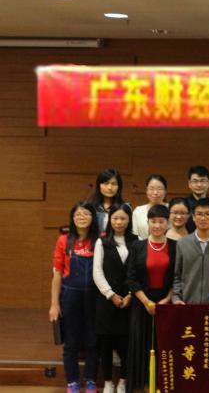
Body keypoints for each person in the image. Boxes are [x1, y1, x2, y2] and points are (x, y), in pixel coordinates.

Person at [49, 202, 99, 393]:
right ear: (72, 218)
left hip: (94, 297)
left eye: (86, 214)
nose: (82, 217)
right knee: (71, 342)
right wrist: (54, 304)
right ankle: (72, 381)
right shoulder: (64, 240)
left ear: (93, 218)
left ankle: (91, 379)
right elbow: (57, 274)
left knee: (93, 340)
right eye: (78, 214)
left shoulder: (99, 240)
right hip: (70, 296)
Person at [126, 205, 176, 393]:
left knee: (164, 345)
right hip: (142, 304)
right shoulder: (138, 246)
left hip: (166, 304)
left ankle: (163, 385)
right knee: (142, 346)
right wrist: (146, 302)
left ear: (167, 223)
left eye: (161, 221)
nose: (157, 225)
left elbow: (178, 277)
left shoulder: (175, 246)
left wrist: (167, 299)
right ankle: (144, 386)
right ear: (147, 223)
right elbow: (131, 278)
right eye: (153, 221)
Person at [93, 204, 138, 393]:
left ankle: (123, 382)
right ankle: (108, 383)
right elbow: (97, 272)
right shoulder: (102, 241)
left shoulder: (136, 241)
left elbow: (138, 271)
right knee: (106, 344)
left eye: (123, 218)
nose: (119, 222)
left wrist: (130, 295)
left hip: (130, 299)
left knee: (127, 344)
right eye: (115, 218)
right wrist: (111, 295)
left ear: (129, 220)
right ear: (109, 220)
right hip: (107, 300)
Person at [173, 198, 209, 304]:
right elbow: (176, 276)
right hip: (187, 304)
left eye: (208, 214)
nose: (203, 218)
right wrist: (176, 298)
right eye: (199, 214)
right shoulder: (182, 243)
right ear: (193, 217)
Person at [89, 168, 126, 235]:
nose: (109, 187)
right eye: (106, 183)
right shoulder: (90, 207)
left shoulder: (125, 207)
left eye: (113, 184)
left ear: (119, 187)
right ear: (99, 185)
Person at [131, 173, 167, 239]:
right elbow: (135, 235)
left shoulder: (171, 209)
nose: (155, 192)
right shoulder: (138, 211)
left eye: (159, 189)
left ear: (165, 191)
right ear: (146, 191)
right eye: (151, 188)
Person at [184, 165, 209, 231]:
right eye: (195, 181)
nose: (199, 185)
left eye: (202, 181)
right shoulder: (184, 204)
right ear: (189, 184)